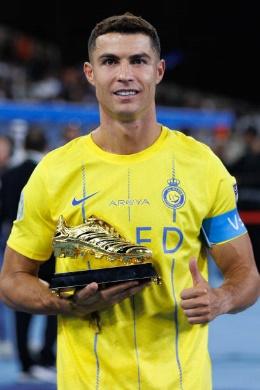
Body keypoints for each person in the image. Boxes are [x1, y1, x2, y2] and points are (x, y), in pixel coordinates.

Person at [0, 13, 259, 390]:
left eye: (138, 60)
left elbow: (246, 274)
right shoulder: (54, 172)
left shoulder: (203, 167)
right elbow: (12, 280)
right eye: (110, 61)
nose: (125, 73)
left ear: (159, 71)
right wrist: (66, 303)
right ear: (90, 73)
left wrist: (220, 299)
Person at [0, 128, 57, 382]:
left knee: (20, 306)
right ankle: (46, 356)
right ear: (45, 143)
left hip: (16, 247)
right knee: (56, 302)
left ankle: (25, 362)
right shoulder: (49, 174)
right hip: (50, 249)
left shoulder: (10, 175)